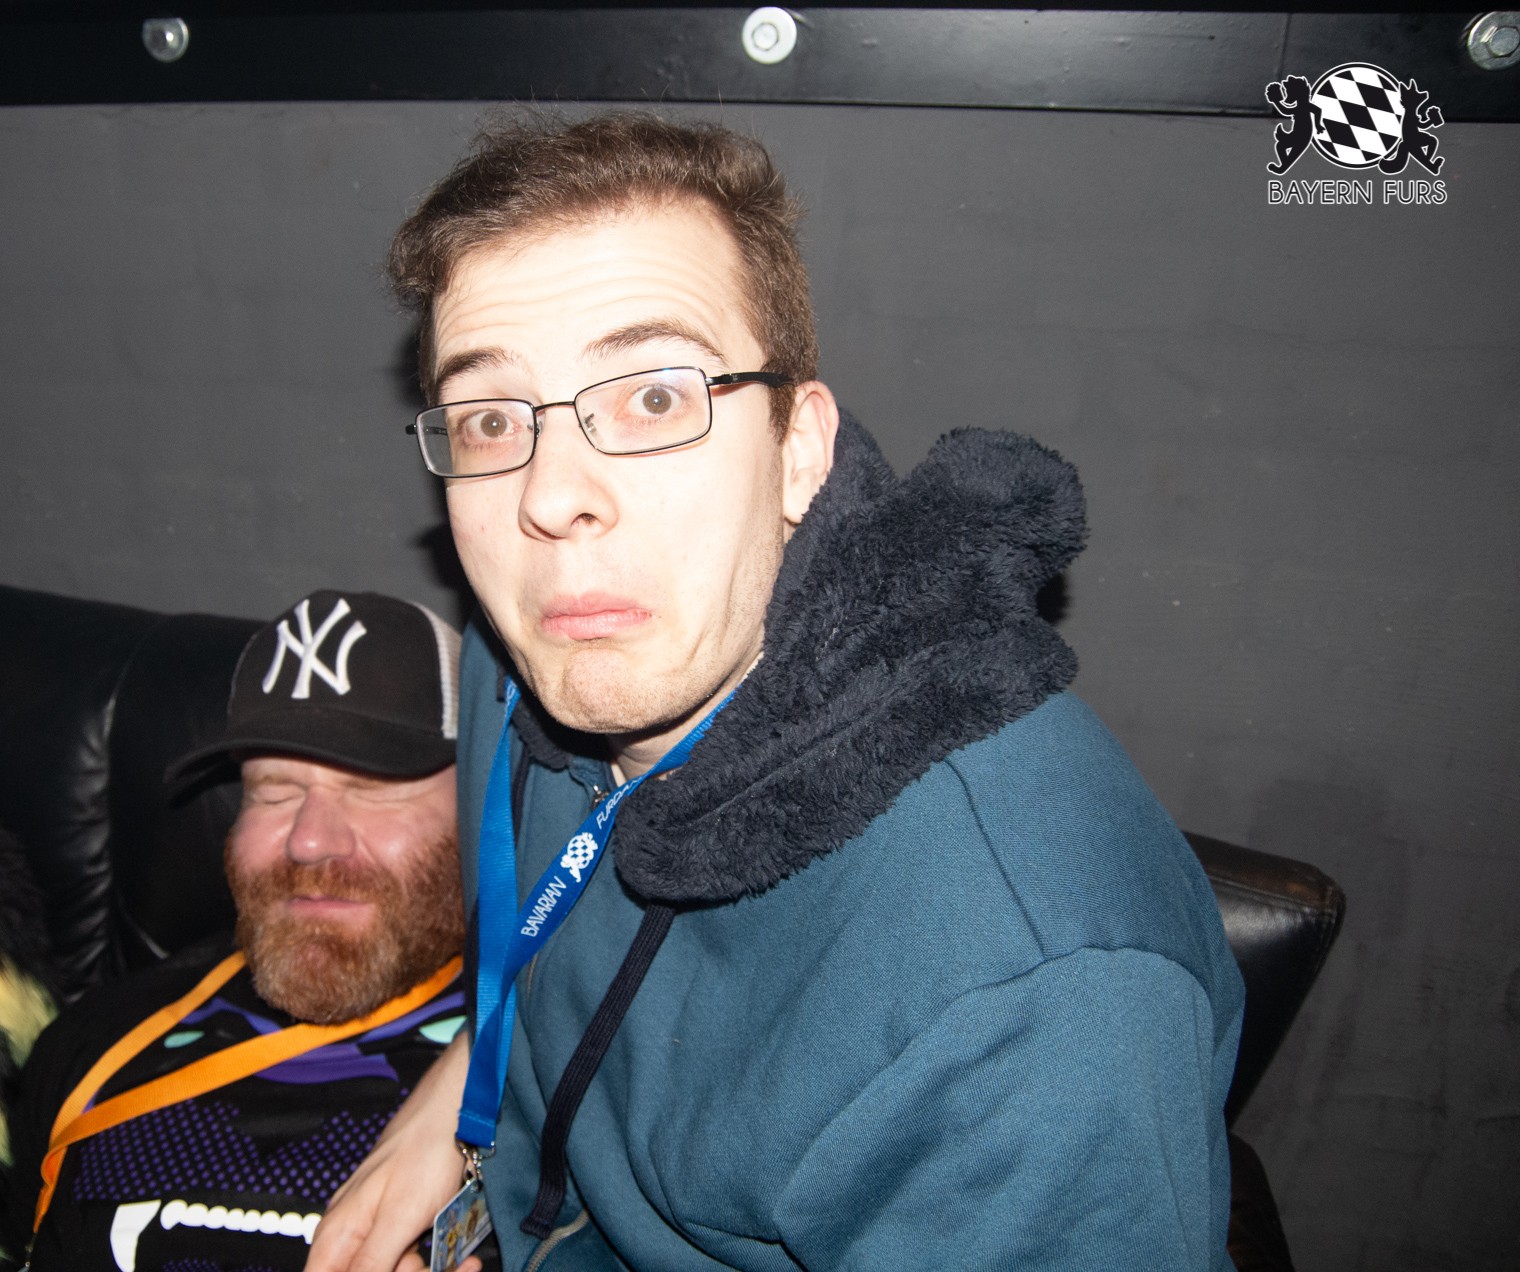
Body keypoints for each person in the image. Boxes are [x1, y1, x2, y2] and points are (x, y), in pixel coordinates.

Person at [309, 113, 1246, 1271]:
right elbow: (561, 917)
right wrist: (462, 1097)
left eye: (654, 398)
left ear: (800, 448)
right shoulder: (542, 644)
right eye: (493, 418)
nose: (549, 498)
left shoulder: (1030, 998)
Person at [3, 589, 488, 1272]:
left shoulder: (554, 1069)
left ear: (481, 804)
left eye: (373, 788)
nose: (309, 842)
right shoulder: (94, 1046)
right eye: (273, 791)